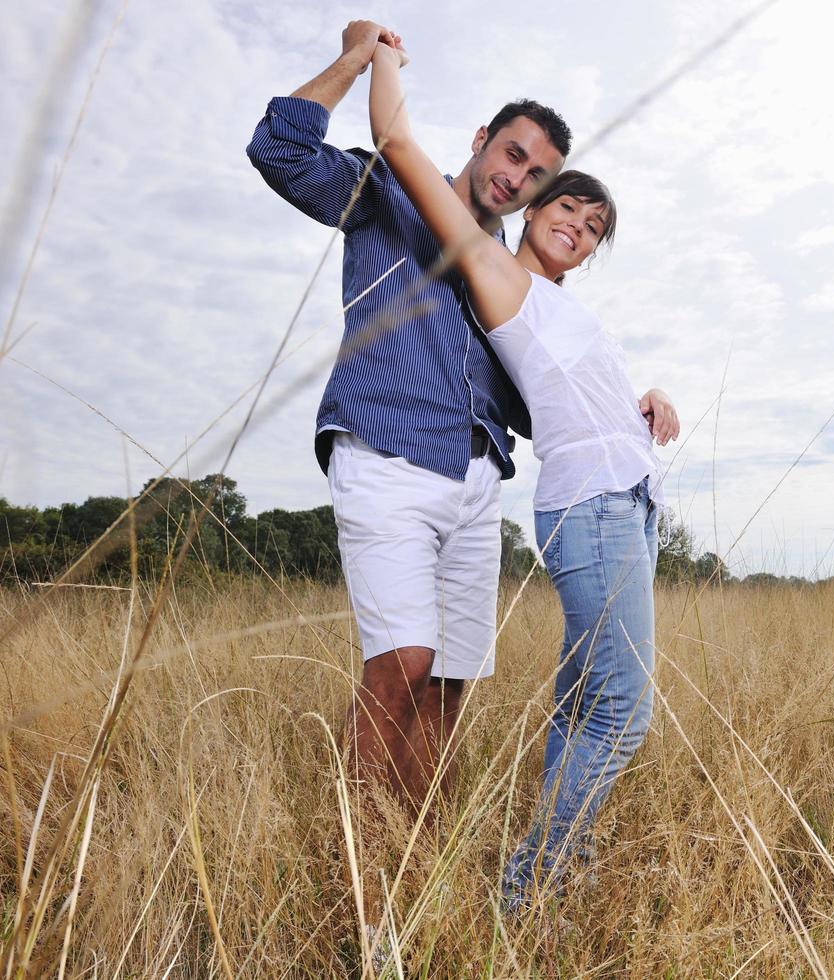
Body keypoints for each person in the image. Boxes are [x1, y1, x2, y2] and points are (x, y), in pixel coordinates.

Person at [245, 20, 673, 808]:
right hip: (387, 450)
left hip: (478, 482)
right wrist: (355, 60)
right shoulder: (393, 193)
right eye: (513, 154)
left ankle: (416, 855)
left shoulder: (510, 277)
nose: (518, 178)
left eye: (538, 174)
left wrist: (631, 402)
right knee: (401, 665)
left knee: (448, 686)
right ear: (482, 140)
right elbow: (279, 151)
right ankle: (362, 869)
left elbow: (542, 401)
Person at [366, 36, 680, 912]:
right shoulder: (494, 269)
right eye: (568, 209)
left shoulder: (556, 306)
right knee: (624, 711)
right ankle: (527, 886)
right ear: (534, 202)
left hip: (626, 504)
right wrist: (378, 51)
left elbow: (570, 398)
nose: (577, 229)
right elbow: (395, 140)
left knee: (583, 710)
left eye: (593, 230)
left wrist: (645, 399)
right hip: (593, 513)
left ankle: (551, 874)